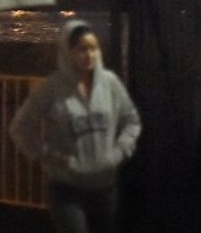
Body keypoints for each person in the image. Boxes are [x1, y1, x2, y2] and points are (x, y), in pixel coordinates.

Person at [9, 19, 141, 233]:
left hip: (104, 187)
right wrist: (48, 154)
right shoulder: (52, 88)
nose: (89, 55)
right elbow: (20, 127)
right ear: (67, 52)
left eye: (93, 48)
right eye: (81, 49)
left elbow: (131, 121)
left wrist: (118, 152)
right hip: (66, 188)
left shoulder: (110, 84)